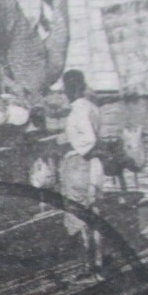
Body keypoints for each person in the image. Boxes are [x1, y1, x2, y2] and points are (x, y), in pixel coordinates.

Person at [59, 69, 104, 267]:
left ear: (69, 89)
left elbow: (89, 139)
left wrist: (74, 151)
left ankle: (88, 266)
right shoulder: (92, 107)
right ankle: (98, 261)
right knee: (94, 214)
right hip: (95, 165)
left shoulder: (78, 109)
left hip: (80, 164)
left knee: (79, 216)